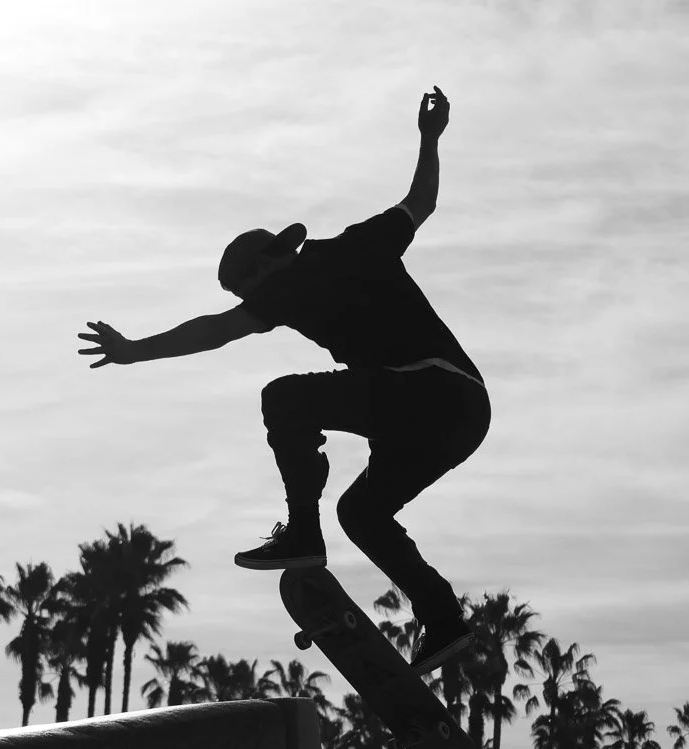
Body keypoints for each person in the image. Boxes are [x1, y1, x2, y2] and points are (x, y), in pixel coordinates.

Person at [77, 86, 489, 675]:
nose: (253, 304)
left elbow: (215, 331)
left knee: (285, 398)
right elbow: (420, 201)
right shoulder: (353, 247)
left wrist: (135, 351)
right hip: (461, 414)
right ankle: (442, 617)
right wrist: (429, 138)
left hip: (431, 389)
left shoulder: (309, 272)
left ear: (265, 268)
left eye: (248, 291)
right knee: (362, 514)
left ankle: (301, 532)